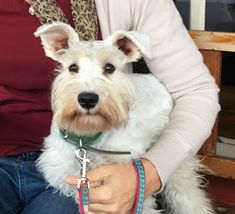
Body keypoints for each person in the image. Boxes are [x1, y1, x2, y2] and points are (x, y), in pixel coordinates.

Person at [0, 0, 220, 213]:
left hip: (98, 157)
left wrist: (146, 174)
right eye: (74, 67)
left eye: (107, 67)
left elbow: (196, 90)